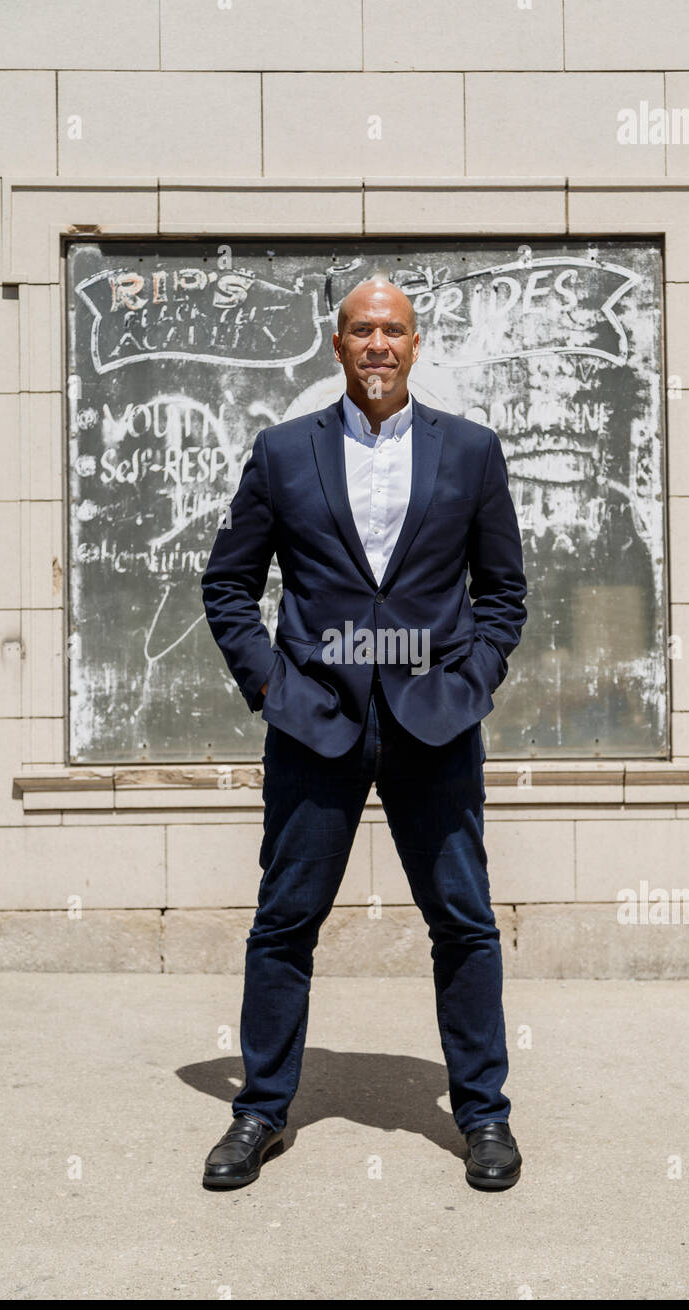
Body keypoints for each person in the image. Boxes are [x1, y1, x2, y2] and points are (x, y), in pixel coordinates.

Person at [200, 274, 528, 1191]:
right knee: (283, 924)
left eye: (393, 330)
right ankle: (260, 1111)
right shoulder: (279, 454)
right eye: (361, 331)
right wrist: (269, 683)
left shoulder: (470, 452)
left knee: (463, 925)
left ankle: (484, 1117)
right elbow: (228, 585)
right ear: (336, 345)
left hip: (436, 724)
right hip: (315, 725)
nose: (378, 345)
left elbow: (503, 592)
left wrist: (475, 678)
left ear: (415, 346)